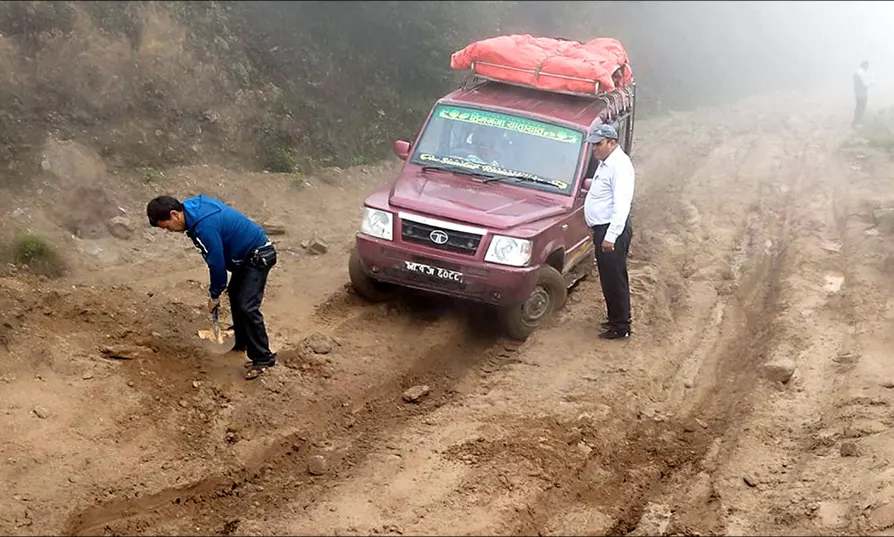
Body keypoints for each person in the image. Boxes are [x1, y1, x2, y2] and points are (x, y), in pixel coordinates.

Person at [146, 194, 278, 379]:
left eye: (167, 227)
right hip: (244, 257)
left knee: (247, 307)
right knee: (235, 296)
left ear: (174, 214)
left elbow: (216, 264)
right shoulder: (193, 209)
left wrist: (214, 295)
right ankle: (241, 342)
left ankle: (263, 358)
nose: (169, 231)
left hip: (257, 256)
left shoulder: (203, 227)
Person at [583, 123, 635, 340]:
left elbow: (621, 205)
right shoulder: (607, 163)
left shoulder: (620, 166)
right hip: (603, 228)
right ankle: (615, 318)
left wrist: (610, 237)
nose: (595, 148)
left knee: (614, 278)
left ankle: (620, 326)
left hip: (611, 229)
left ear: (612, 143)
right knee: (608, 277)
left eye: (599, 144)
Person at [853, 60, 873, 127]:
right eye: (867, 67)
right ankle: (858, 122)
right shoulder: (862, 73)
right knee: (861, 107)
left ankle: (856, 121)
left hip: (857, 93)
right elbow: (865, 85)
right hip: (862, 93)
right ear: (865, 66)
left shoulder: (857, 72)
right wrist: (871, 82)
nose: (867, 69)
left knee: (858, 107)